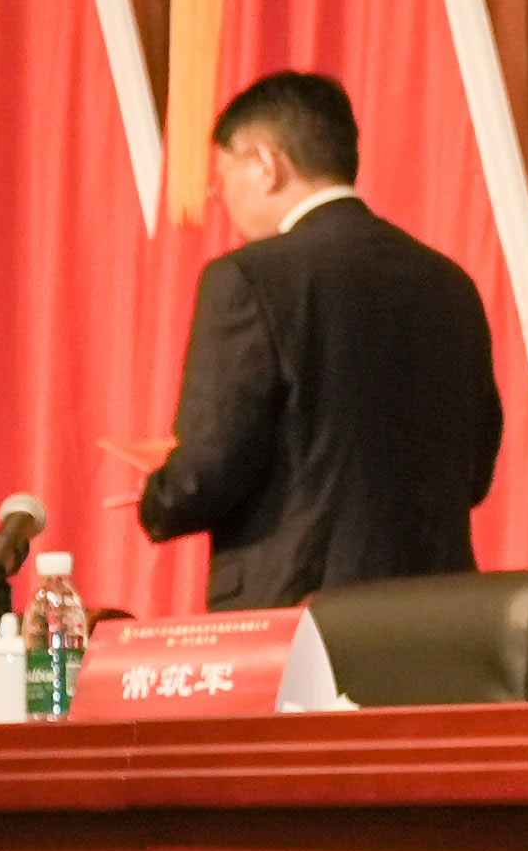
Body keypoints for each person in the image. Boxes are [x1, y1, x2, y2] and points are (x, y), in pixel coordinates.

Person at [133, 69, 505, 607]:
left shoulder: (248, 278)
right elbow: (475, 473)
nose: (220, 198)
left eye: (222, 179)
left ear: (266, 164)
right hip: (438, 615)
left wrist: (159, 494)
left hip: (299, 615)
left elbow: (208, 470)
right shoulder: (449, 283)